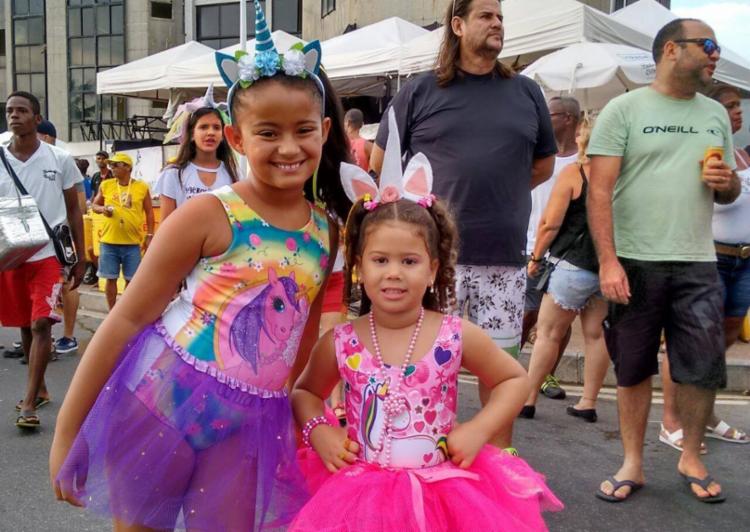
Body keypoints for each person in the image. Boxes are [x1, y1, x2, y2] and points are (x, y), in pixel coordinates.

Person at [49, 5, 351, 528]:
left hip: (250, 424)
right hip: (160, 404)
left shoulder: (326, 232)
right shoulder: (207, 213)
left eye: (303, 130)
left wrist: (306, 422)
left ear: (324, 130)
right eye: (267, 132)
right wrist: (67, 431)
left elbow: (300, 348)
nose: (287, 147)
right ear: (236, 138)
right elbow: (125, 319)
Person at [289, 126, 562, 531]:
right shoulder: (342, 341)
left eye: (410, 261)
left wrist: (479, 429)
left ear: (433, 269)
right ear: (359, 269)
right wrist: (320, 432)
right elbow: (305, 392)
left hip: (444, 494)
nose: (394, 273)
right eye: (380, 260)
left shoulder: (454, 334)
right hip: (359, 497)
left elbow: (513, 380)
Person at [370, 0, 556, 450]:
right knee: (428, 368)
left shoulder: (526, 92)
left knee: (502, 368)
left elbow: (543, 166)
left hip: (503, 260)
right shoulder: (419, 91)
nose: (497, 24)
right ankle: (424, 454)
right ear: (458, 25)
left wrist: (493, 193)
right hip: (434, 263)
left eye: (500, 18)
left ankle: (500, 460)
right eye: (486, 16)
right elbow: (382, 166)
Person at [588, 19, 739, 503]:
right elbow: (599, 191)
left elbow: (730, 188)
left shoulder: (715, 113)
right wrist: (608, 262)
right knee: (632, 367)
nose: (716, 54)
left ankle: (690, 454)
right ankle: (632, 462)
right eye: (709, 45)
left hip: (698, 260)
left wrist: (726, 183)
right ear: (672, 49)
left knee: (702, 367)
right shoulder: (624, 109)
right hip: (634, 260)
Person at [658, 83, 750, 449]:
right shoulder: (699, 152)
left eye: (738, 105)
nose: (737, 111)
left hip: (744, 261)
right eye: (729, 106)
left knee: (722, 341)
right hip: (709, 257)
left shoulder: (741, 155)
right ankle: (670, 420)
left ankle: (705, 413)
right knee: (686, 341)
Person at [0, 91, 85, 429]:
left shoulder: (59, 158)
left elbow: (74, 209)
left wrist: (81, 257)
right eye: (10, 111)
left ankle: (29, 403)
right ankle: (43, 388)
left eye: (22, 110)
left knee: (41, 323)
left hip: (49, 255)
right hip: (11, 256)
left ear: (37, 118)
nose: (14, 116)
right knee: (24, 321)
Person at [520, 118, 610, 422]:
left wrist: (535, 257)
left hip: (571, 267)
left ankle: (528, 399)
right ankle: (588, 402)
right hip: (607, 266)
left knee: (548, 333)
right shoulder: (622, 176)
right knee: (596, 336)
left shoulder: (577, 173)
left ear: (584, 137)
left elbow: (550, 223)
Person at [523, 96, 581, 401]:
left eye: (551, 114)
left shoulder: (580, 162)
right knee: (527, 312)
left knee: (561, 319)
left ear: (568, 118)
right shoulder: (537, 153)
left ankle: (545, 374)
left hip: (563, 251)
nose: (544, 118)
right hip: (530, 243)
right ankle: (509, 370)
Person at [36, 120, 87, 355]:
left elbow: (80, 205)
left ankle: (68, 335)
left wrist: (76, 244)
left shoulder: (62, 160)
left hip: (61, 237)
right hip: (36, 238)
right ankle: (38, 335)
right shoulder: (34, 159)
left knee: (66, 285)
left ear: (45, 136)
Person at [156, 88, 239, 221]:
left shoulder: (233, 174)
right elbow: (166, 224)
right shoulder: (173, 174)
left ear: (223, 134)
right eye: (203, 127)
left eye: (216, 127)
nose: (210, 132)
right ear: (191, 134)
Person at [90, 152, 154, 310]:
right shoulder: (106, 185)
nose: (112, 168)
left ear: (128, 167)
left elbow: (150, 212)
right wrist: (103, 209)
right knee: (110, 279)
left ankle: (125, 311)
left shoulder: (141, 187)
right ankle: (112, 312)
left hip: (132, 243)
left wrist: (150, 235)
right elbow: (94, 205)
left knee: (131, 281)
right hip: (109, 241)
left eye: (116, 165)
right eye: (111, 165)